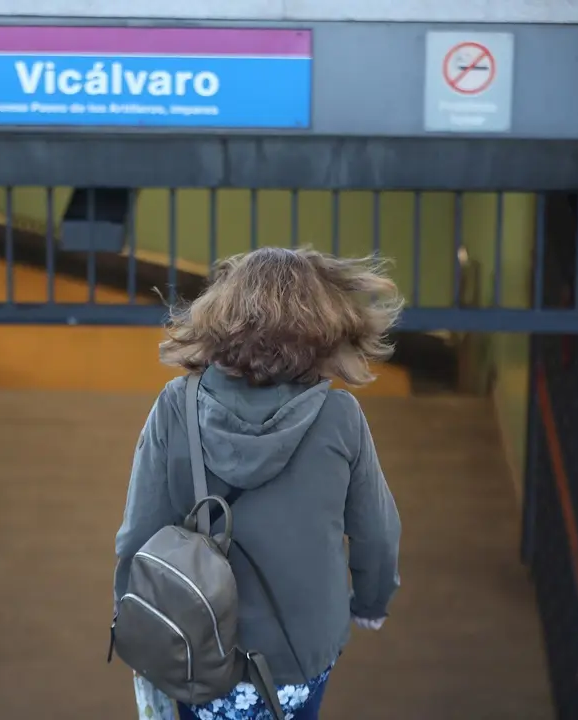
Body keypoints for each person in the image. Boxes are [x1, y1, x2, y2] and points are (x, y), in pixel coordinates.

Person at [113, 247, 404, 720]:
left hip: (196, 647)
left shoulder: (176, 406)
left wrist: (136, 615)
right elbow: (377, 532)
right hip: (301, 650)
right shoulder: (339, 418)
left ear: (221, 315)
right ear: (322, 325)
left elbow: (138, 532)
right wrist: (371, 602)